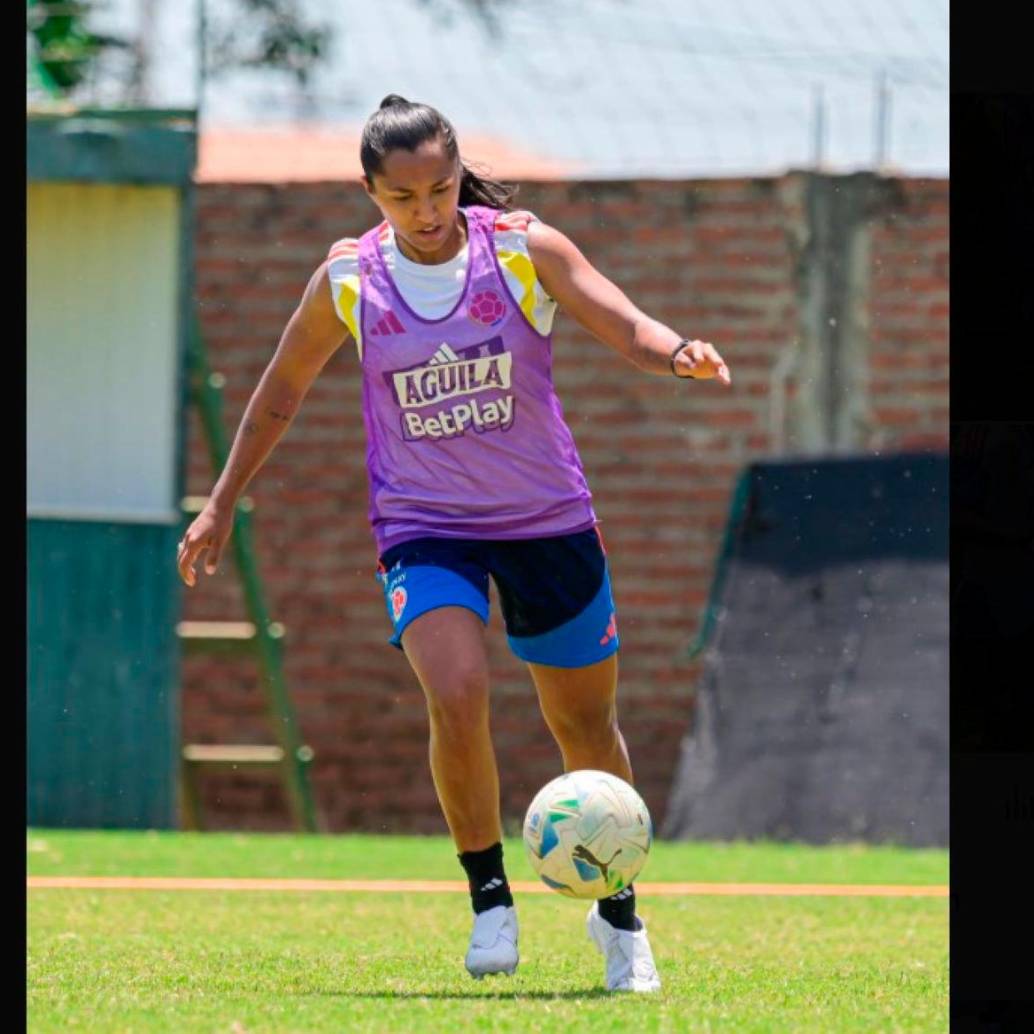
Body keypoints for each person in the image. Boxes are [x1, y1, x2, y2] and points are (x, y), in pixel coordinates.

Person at [177, 94, 731, 993]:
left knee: (583, 725)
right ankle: (490, 901)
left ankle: (620, 917)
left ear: (457, 174)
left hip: (548, 521)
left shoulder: (519, 249)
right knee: (458, 689)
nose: (426, 211)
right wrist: (220, 503)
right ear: (371, 193)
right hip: (425, 527)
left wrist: (677, 353)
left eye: (438, 189)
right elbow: (278, 392)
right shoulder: (349, 281)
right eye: (403, 197)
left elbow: (621, 322)